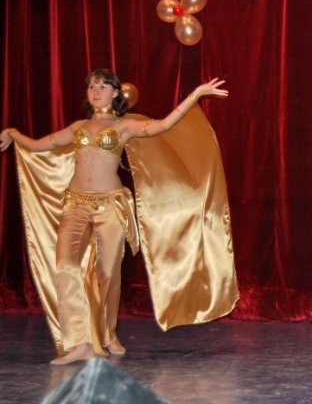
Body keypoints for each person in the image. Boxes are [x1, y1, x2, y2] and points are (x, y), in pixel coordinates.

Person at [0, 68, 229, 365]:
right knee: (65, 266)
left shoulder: (124, 126)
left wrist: (194, 96)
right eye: (91, 86)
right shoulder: (78, 127)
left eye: (103, 86)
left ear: (116, 93)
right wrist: (13, 133)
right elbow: (38, 144)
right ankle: (79, 343)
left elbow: (164, 125)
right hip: (75, 205)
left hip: (110, 207)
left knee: (107, 274)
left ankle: (107, 334)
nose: (96, 91)